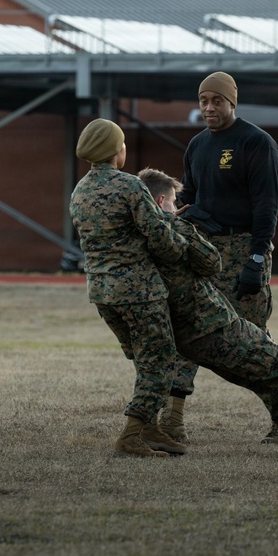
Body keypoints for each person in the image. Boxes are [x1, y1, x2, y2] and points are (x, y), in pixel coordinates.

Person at [139, 167, 278, 454]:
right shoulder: (177, 230)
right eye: (174, 201)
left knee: (258, 377)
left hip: (184, 338)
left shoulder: (135, 240)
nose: (179, 206)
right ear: (161, 203)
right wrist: (184, 225)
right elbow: (212, 263)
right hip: (215, 326)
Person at [174, 70, 278, 444]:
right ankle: (171, 421)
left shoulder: (256, 143)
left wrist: (256, 260)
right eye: (204, 100)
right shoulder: (197, 145)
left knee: (254, 341)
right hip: (205, 250)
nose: (209, 107)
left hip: (244, 250)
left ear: (232, 103)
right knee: (188, 331)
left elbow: (267, 206)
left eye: (217, 101)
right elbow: (188, 195)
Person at [69, 118, 189, 458]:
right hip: (139, 291)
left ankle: (150, 426)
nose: (124, 149)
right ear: (114, 150)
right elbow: (158, 237)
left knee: (144, 360)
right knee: (161, 361)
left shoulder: (80, 190)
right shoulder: (130, 186)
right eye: (121, 144)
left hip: (102, 292)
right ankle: (132, 435)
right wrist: (183, 247)